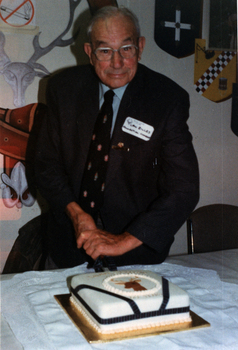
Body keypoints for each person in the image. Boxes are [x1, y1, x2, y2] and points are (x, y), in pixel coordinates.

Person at [35, 6, 199, 269]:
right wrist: (76, 214)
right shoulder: (63, 89)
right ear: (89, 53)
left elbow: (184, 189)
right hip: (67, 244)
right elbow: (46, 165)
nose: (117, 63)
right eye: (104, 51)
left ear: (140, 46)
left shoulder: (167, 100)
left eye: (126, 49)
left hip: (135, 252)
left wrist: (122, 241)